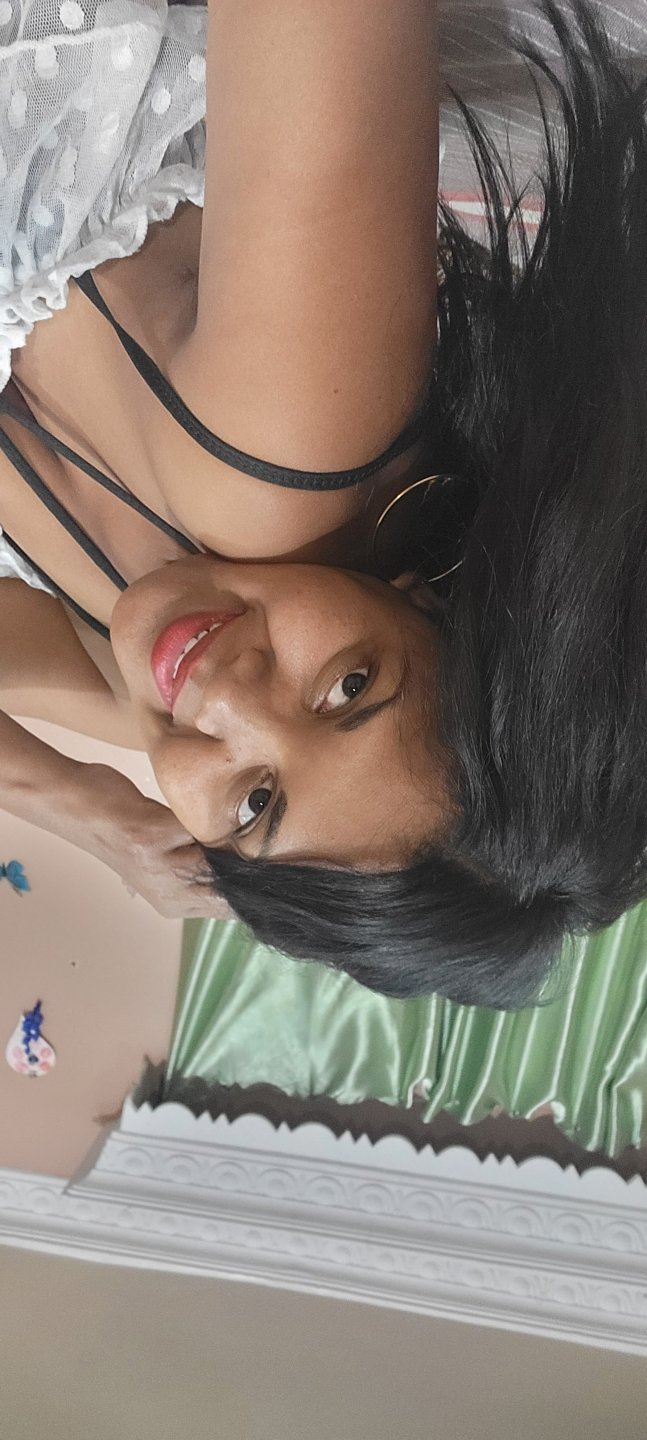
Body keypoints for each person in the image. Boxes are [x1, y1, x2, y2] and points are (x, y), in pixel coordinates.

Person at [1, 0, 646, 1007]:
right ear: (426, 600)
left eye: (259, 804)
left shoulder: (167, 681)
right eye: (349, 687)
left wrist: (87, 806)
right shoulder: (284, 453)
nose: (227, 701)